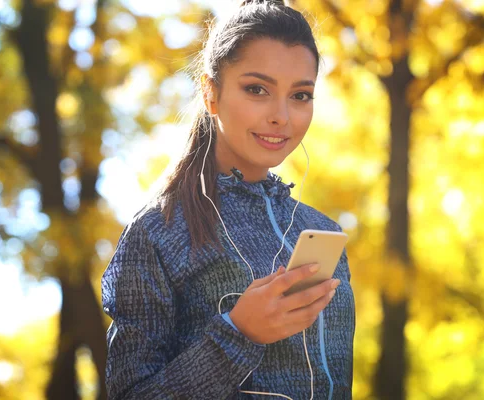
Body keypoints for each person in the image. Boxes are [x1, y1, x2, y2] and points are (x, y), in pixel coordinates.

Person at [101, 0, 356, 398]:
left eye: (300, 95)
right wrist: (238, 335)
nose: (281, 116)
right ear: (211, 93)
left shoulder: (323, 233)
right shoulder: (158, 231)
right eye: (257, 89)